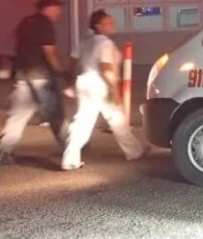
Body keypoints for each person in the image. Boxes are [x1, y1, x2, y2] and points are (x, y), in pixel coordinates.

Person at [62, 10, 147, 170]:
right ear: (99, 26)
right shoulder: (105, 43)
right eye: (109, 23)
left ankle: (70, 159)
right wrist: (114, 91)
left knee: (85, 121)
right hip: (100, 84)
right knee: (115, 119)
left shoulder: (84, 41)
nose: (113, 25)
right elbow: (106, 68)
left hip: (84, 82)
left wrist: (72, 82)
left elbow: (73, 61)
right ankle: (134, 151)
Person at [0, 0, 69, 166]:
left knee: (18, 115)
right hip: (41, 75)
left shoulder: (26, 22)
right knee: (54, 112)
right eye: (57, 9)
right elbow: (49, 53)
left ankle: (3, 151)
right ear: (48, 8)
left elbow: (17, 46)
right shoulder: (45, 24)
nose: (59, 13)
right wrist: (61, 71)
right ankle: (70, 146)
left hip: (21, 74)